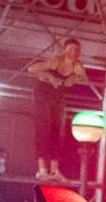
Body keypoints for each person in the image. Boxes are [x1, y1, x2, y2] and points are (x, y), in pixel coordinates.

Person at [23, 38, 87, 181]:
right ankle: (41, 169)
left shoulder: (77, 66)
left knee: (57, 131)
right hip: (43, 94)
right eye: (71, 49)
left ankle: (54, 170)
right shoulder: (55, 61)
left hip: (58, 97)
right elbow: (31, 69)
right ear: (65, 50)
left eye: (76, 50)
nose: (74, 52)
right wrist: (50, 76)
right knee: (43, 128)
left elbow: (84, 78)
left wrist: (74, 79)